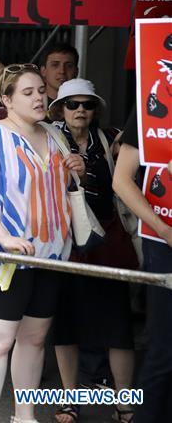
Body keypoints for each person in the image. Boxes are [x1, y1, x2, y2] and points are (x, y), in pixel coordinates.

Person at [0, 64, 84, 423]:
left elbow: (69, 187)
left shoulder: (55, 133)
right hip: (5, 258)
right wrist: (3, 237)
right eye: (27, 93)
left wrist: (77, 167)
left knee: (34, 340)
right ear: (7, 100)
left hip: (51, 253)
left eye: (40, 91)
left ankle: (24, 416)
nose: (38, 98)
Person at [45, 79, 138, 423]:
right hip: (66, 243)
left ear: (95, 109)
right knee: (66, 323)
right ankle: (70, 399)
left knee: (118, 325)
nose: (80, 110)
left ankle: (124, 401)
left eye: (87, 104)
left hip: (108, 241)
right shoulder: (47, 139)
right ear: (60, 109)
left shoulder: (111, 138)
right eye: (72, 104)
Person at [112, 112, 172, 423]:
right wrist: (164, 230)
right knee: (164, 347)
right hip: (164, 241)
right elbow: (121, 180)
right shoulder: (151, 102)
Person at [0, 0, 78, 103]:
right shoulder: (24, 100)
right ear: (43, 71)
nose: (62, 71)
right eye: (55, 65)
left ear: (76, 71)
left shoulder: (86, 105)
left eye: (69, 65)